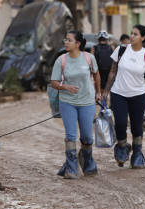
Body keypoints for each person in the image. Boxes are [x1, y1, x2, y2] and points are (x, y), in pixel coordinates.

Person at [102, 24, 145, 169]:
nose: (132, 36)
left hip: (138, 95)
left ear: (143, 38)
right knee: (121, 123)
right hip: (119, 93)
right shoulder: (121, 49)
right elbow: (112, 72)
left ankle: (137, 153)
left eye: (135, 34)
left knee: (137, 126)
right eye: (131, 33)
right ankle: (122, 146)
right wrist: (106, 91)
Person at [50, 30, 101, 179]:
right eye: (65, 40)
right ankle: (71, 169)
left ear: (78, 44)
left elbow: (96, 74)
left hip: (87, 102)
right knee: (71, 135)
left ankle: (88, 163)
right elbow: (54, 82)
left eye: (69, 40)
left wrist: (99, 92)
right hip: (67, 103)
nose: (66, 42)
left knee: (86, 137)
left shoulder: (89, 58)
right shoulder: (61, 60)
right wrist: (65, 87)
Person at [91, 30, 115, 94]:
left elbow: (91, 60)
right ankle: (108, 103)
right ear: (106, 39)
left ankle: (103, 103)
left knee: (101, 91)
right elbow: (115, 60)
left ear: (98, 39)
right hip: (110, 71)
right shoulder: (111, 47)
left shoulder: (94, 48)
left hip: (99, 72)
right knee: (111, 90)